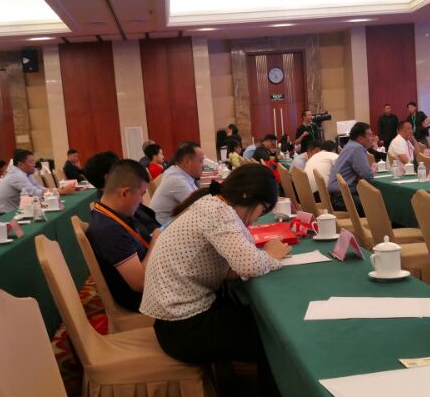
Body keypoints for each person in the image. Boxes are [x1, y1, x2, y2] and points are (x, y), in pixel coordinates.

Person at [140, 163, 290, 365]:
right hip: (183, 329)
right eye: (262, 210)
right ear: (246, 195)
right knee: (273, 332)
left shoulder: (211, 203)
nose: (256, 220)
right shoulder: (218, 212)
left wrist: (254, 260)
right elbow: (249, 265)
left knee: (262, 318)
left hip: (174, 321)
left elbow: (226, 269)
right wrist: (270, 255)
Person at [86, 159, 159, 313]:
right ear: (125, 193)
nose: (142, 201)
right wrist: (155, 242)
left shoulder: (112, 213)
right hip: (145, 299)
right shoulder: (108, 229)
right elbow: (140, 283)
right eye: (141, 194)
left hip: (153, 282)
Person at [0, 148, 73, 215]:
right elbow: (34, 193)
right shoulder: (16, 175)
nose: (34, 165)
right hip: (3, 215)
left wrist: (60, 190)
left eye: (34, 161)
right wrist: (62, 191)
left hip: (14, 211)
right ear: (20, 164)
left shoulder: (26, 174)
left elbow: (40, 188)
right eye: (31, 162)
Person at [149, 141, 204, 223]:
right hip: (163, 227)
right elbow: (200, 208)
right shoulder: (176, 180)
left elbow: (198, 197)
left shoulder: (177, 171)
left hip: (171, 222)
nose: (203, 165)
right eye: (201, 161)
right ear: (187, 162)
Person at [327, 121, 375, 212]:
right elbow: (367, 175)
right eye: (370, 135)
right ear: (360, 138)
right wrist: (373, 169)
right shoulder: (357, 148)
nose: (372, 138)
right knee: (377, 205)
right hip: (342, 198)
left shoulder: (349, 146)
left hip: (336, 195)